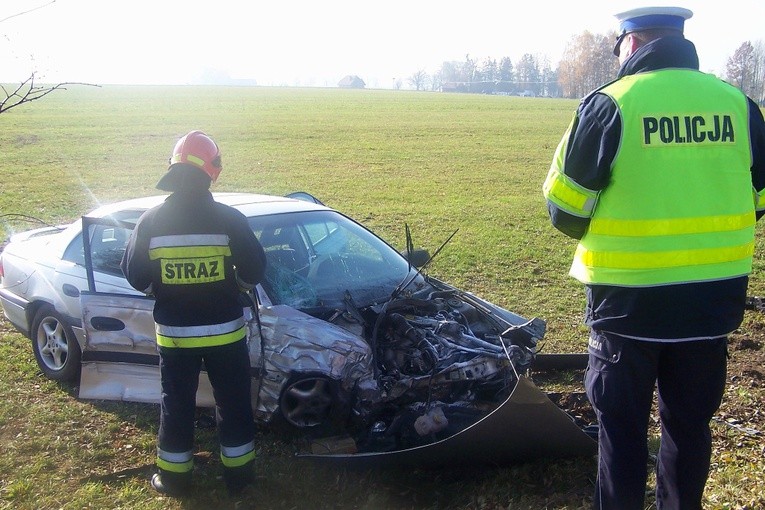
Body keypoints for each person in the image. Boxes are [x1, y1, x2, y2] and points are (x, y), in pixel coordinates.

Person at [542, 6, 765, 510]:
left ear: (632, 42)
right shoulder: (738, 104)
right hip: (711, 307)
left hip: (627, 308)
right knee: (689, 431)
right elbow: (760, 199)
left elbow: (566, 212)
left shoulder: (610, 105)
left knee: (621, 435)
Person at [120, 130, 267, 496]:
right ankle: (239, 479)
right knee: (233, 403)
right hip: (227, 333)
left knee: (177, 404)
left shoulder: (151, 221)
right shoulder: (230, 219)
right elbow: (255, 267)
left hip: (174, 335)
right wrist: (238, 288)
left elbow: (134, 274)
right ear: (212, 171)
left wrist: (162, 289)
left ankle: (174, 479)